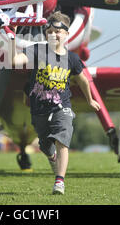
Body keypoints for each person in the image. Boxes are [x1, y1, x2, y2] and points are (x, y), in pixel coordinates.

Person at [11, 11, 101, 195]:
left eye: (57, 31)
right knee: (45, 144)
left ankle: (59, 181)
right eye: (49, 31)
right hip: (39, 109)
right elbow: (15, 61)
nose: (53, 34)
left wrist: (90, 100)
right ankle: (52, 157)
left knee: (62, 140)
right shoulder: (37, 50)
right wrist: (12, 36)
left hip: (62, 107)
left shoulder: (73, 59)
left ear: (66, 34)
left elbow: (83, 80)